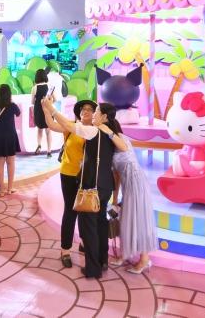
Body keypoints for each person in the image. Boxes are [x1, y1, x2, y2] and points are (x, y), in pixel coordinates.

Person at [43, 98, 127, 279]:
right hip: (101, 184)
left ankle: (93, 267)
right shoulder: (109, 132)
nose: (90, 113)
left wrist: (51, 108)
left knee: (89, 226)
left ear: (103, 117)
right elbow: (123, 147)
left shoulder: (92, 130)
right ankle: (100, 260)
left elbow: (68, 125)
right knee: (97, 222)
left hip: (91, 186)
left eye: (94, 111)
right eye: (85, 109)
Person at [44, 99, 97, 268]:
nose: (85, 111)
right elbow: (52, 125)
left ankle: (83, 242)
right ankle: (65, 250)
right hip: (68, 173)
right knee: (70, 211)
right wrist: (45, 108)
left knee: (85, 210)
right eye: (83, 109)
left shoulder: (95, 130)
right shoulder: (71, 126)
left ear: (95, 114)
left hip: (87, 176)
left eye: (89, 109)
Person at [110, 130, 157, 274]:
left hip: (136, 183)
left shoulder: (119, 139)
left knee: (139, 220)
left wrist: (108, 132)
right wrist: (114, 199)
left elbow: (124, 150)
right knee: (126, 219)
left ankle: (144, 259)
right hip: (128, 185)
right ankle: (125, 254)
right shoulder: (111, 144)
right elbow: (117, 175)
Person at [0, 84, 21, 197]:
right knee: (11, 163)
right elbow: (18, 113)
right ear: (9, 94)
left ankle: (1, 190)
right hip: (10, 135)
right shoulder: (12, 105)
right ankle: (10, 188)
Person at [31, 68, 51, 157]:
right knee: (48, 131)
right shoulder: (49, 86)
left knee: (39, 129)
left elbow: (32, 102)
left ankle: (39, 145)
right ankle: (49, 151)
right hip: (48, 110)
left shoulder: (34, 88)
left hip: (38, 110)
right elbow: (55, 99)